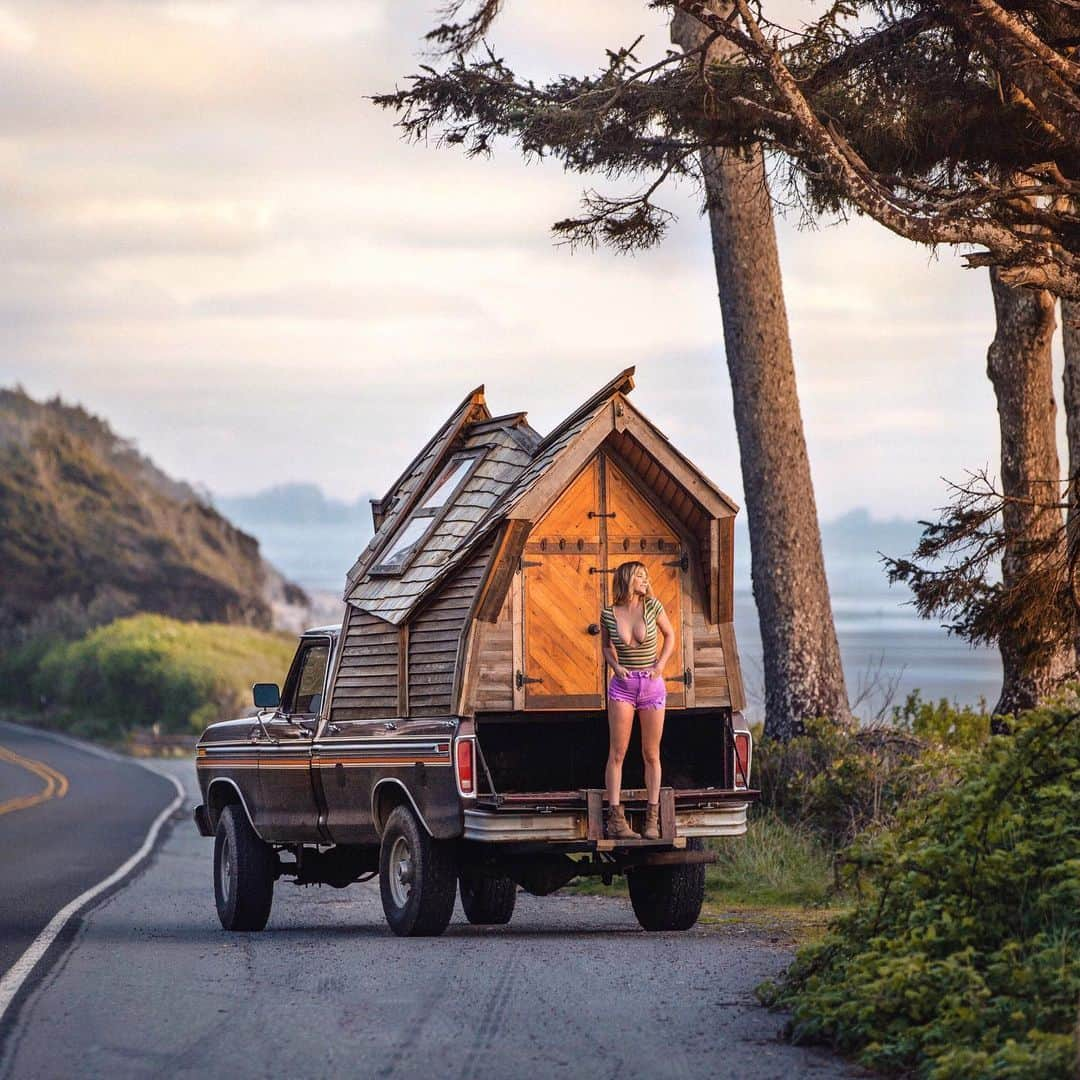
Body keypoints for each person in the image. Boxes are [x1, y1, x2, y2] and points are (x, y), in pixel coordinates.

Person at [599, 561, 675, 840]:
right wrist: (615, 667)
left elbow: (671, 636)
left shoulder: (653, 607)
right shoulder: (608, 613)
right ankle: (616, 820)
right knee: (617, 754)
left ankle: (651, 821)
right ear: (628, 580)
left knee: (651, 754)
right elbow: (606, 646)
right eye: (641, 576)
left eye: (646, 576)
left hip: (652, 687)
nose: (646, 580)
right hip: (622, 687)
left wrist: (661, 665)